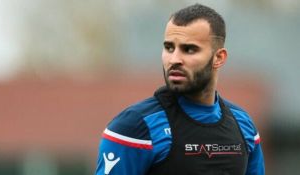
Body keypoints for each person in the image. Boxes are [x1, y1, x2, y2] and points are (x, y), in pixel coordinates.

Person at [95, 3, 265, 175]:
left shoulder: (244, 126)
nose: (174, 59)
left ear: (219, 58)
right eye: (169, 48)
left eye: (189, 49)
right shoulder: (134, 127)